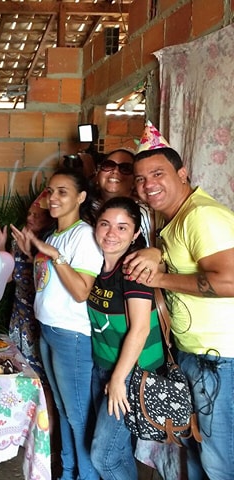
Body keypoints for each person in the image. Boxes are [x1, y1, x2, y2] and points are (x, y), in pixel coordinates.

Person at [123, 122, 234, 480]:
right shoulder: (176, 220)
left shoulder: (201, 215)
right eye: (141, 179)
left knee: (220, 463)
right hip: (197, 358)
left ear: (182, 174)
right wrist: (157, 253)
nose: (148, 184)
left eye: (158, 173)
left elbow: (230, 279)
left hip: (220, 360)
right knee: (202, 457)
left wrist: (159, 278)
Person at [15, 167, 103, 480]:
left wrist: (55, 255)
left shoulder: (84, 236)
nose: (52, 198)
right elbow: (48, 281)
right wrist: (32, 254)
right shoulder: (54, 235)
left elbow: (81, 292)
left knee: (77, 415)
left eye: (62, 192)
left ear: (80, 197)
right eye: (50, 191)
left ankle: (86, 476)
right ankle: (67, 472)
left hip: (71, 336)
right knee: (64, 411)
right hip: (49, 331)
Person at [87, 196, 164, 479]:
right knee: (117, 451)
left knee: (103, 457)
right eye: (105, 224)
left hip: (131, 371)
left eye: (122, 227)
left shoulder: (133, 270)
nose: (111, 233)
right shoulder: (94, 265)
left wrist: (119, 379)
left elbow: (140, 328)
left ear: (135, 234)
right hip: (103, 365)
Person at [0, 189, 55, 381]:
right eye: (29, 214)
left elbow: (48, 281)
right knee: (19, 370)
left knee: (41, 375)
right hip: (19, 317)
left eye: (37, 215)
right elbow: (8, 277)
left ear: (49, 220)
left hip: (39, 318)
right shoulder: (17, 242)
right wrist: (1, 246)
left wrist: (29, 254)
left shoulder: (51, 245)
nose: (30, 218)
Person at [91, 148, 153, 245]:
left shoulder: (142, 213)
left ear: (134, 181)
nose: (115, 171)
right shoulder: (84, 205)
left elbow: (151, 249)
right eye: (108, 165)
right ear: (98, 173)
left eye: (125, 168)